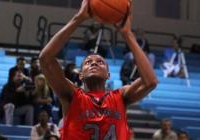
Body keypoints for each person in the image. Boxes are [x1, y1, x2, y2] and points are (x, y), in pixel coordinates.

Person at [39, 0, 158, 139]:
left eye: (100, 62)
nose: (94, 63)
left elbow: (151, 82)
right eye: (88, 62)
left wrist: (127, 34)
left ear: (107, 75)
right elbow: (45, 59)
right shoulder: (72, 96)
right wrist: (78, 18)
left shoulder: (120, 97)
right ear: (81, 75)